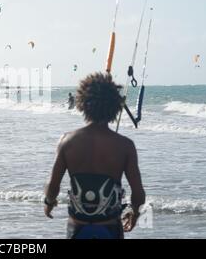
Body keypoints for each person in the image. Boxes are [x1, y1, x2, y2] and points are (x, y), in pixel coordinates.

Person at [44, 72, 145, 239]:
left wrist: (49, 202)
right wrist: (135, 213)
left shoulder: (67, 141)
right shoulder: (125, 146)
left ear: (82, 103)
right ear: (115, 106)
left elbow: (53, 185)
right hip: (110, 227)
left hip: (77, 226)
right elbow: (138, 193)